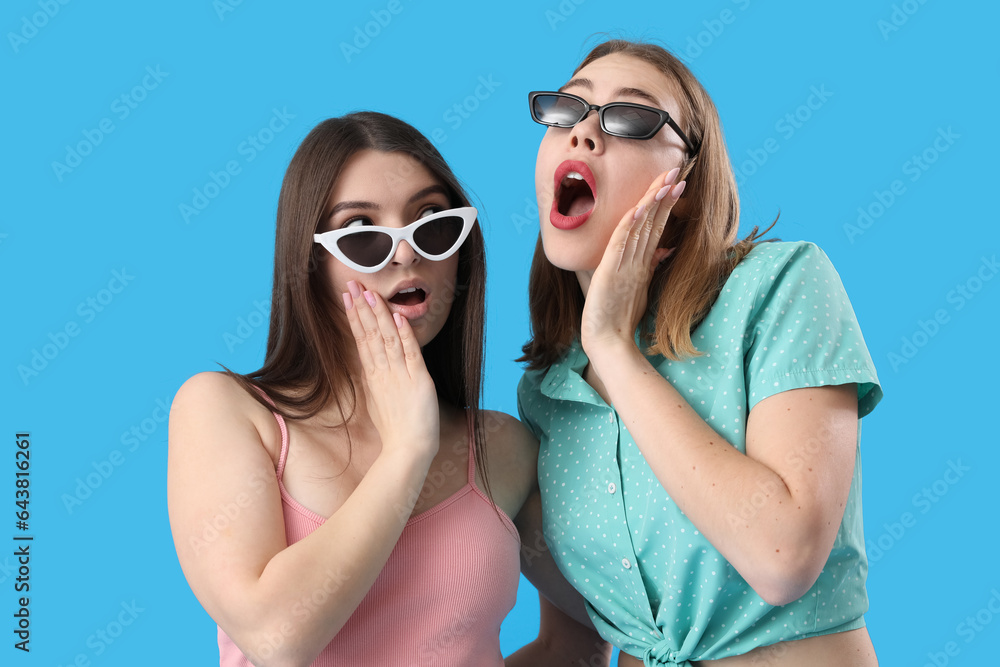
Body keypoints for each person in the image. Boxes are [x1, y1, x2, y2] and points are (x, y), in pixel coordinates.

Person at [167, 112, 609, 666]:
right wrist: (407, 449)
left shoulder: (502, 449)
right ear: (310, 264)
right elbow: (276, 637)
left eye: (433, 223)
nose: (406, 253)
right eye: (361, 234)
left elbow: (595, 627)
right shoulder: (225, 412)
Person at [516, 39, 882, 667]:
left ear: (684, 182)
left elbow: (783, 557)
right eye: (568, 109)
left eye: (629, 118)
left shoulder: (782, 287)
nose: (582, 134)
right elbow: (571, 646)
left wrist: (614, 348)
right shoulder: (550, 391)